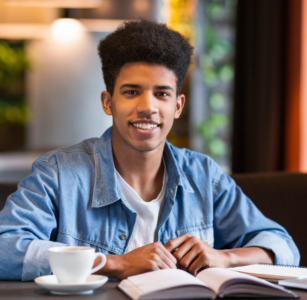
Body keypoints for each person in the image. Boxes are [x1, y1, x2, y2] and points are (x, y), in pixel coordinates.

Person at [0, 19, 299, 281]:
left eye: (162, 94)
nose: (148, 108)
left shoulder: (205, 176)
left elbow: (282, 246)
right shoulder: (58, 173)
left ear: (177, 106)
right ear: (108, 102)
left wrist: (226, 257)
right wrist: (113, 263)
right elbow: (6, 247)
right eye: (131, 92)